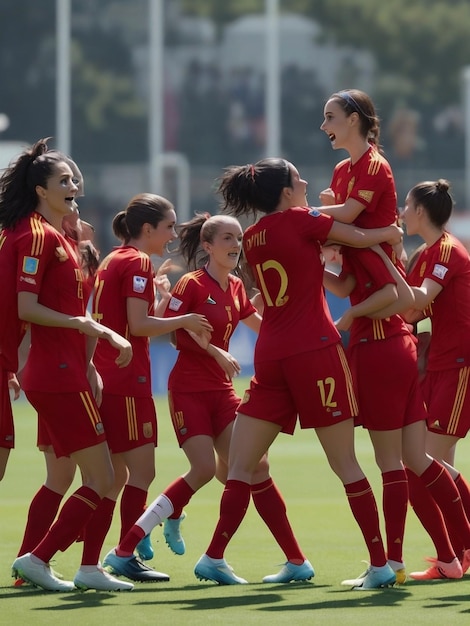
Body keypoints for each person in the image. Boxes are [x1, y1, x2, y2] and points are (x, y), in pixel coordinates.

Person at [192, 157, 404, 589]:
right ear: (287, 191)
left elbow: (306, 271)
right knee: (345, 462)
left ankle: (214, 556)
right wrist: (390, 232)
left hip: (270, 353)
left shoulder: (251, 237)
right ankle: (381, 565)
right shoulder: (303, 219)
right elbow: (359, 235)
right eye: (298, 177)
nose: (306, 181)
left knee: (239, 467)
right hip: (315, 352)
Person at [104, 212, 314, 585]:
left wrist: (302, 341)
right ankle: (125, 550)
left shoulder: (235, 287)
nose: (236, 246)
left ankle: (295, 560)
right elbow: (173, 334)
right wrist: (216, 351)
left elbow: (262, 327)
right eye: (228, 239)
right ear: (207, 246)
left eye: (238, 239)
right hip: (188, 390)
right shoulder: (190, 284)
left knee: (257, 467)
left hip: (222, 392)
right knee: (203, 468)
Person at [0, 137, 133, 592]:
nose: (74, 185)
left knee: (67, 476)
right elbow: (25, 307)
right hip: (55, 374)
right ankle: (39, 560)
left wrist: (89, 359)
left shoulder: (58, 237)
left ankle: (65, 568)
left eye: (75, 178)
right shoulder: (37, 236)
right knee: (103, 477)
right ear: (41, 189)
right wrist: (90, 327)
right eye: (64, 180)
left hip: (63, 370)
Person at [84, 195, 213, 586]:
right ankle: (120, 554)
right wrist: (186, 318)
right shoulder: (138, 261)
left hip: (110, 374)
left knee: (116, 474)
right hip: (127, 379)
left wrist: (156, 300)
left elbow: (128, 318)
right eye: (169, 226)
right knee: (140, 472)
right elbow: (138, 327)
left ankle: (98, 558)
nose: (173, 234)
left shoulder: (114, 258)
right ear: (147, 229)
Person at [323, 242, 470, 585]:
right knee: (418, 459)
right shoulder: (375, 247)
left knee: (392, 463)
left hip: (379, 351)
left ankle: (391, 564)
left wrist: (353, 314)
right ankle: (450, 555)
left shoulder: (366, 245)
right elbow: (365, 288)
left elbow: (400, 296)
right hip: (402, 349)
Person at [400, 179, 470, 579]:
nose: (402, 213)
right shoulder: (427, 252)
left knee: (430, 463)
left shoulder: (446, 251)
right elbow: (414, 312)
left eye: (406, 207)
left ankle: (461, 551)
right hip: (440, 364)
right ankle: (458, 554)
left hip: (459, 364)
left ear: (421, 212)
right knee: (434, 463)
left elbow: (421, 299)